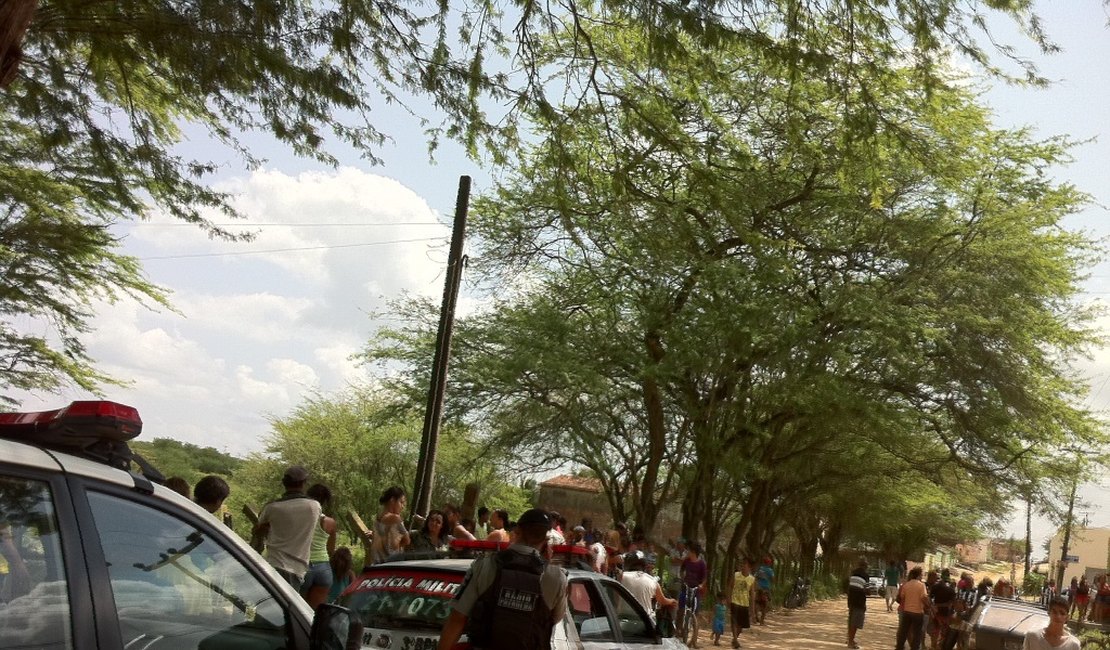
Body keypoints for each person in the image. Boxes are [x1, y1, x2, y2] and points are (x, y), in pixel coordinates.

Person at [436, 509, 567, 650]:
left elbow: (457, 618)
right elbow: (555, 619)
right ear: (546, 539)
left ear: (517, 530)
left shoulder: (484, 564)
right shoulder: (556, 577)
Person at [254, 465, 322, 591]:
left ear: (284, 483)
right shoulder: (314, 506)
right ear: (304, 483)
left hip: (273, 563)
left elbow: (258, 529)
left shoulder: (272, 507)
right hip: (296, 568)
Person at [302, 483, 338, 609]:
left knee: (299, 609)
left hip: (303, 565)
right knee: (315, 613)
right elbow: (331, 550)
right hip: (323, 567)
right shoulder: (330, 522)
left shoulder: (303, 518)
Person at [621, 550, 676, 623]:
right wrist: (672, 601)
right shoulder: (653, 581)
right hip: (645, 624)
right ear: (644, 565)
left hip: (622, 622)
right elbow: (662, 601)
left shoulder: (621, 577)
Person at [370, 486, 410, 564]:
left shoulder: (378, 517)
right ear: (392, 500)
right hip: (391, 564)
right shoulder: (395, 518)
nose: (402, 506)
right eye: (401, 502)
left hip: (376, 564)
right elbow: (407, 540)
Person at [679, 541, 708, 648]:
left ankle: (694, 640)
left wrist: (701, 585)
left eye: (689, 551)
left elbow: (704, 578)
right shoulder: (686, 561)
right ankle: (679, 630)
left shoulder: (701, 564)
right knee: (681, 609)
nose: (688, 552)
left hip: (696, 590)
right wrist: (682, 578)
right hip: (685, 587)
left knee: (695, 613)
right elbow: (682, 570)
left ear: (694, 552)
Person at [896, 566, 931, 650]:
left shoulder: (906, 585)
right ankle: (914, 648)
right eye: (921, 575)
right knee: (917, 633)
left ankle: (899, 647)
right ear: (918, 575)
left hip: (907, 611)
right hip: (918, 612)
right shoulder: (921, 585)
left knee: (903, 631)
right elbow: (923, 598)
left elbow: (901, 597)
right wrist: (928, 606)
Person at [728, 558, 756, 649]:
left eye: (745, 564)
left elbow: (752, 594)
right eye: (743, 564)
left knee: (740, 626)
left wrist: (752, 610)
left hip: (744, 603)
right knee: (734, 621)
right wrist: (728, 598)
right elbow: (730, 586)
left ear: (750, 567)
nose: (743, 566)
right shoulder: (736, 575)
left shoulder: (751, 579)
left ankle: (734, 638)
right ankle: (735, 641)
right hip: (735, 601)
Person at [929, 569, 956, 650]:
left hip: (936, 612)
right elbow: (952, 603)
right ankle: (939, 646)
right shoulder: (951, 587)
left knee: (935, 630)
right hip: (946, 613)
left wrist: (933, 606)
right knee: (944, 632)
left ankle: (933, 646)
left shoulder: (935, 586)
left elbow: (929, 598)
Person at [847, 558, 869, 649]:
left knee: (851, 619)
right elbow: (867, 590)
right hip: (859, 601)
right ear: (865, 566)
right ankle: (851, 641)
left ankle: (849, 639)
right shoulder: (865, 575)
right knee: (855, 623)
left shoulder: (853, 573)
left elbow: (847, 585)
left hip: (851, 600)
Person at [754, 555, 774, 625]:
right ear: (769, 563)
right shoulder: (770, 570)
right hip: (766, 588)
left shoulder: (760, 569)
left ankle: (756, 615)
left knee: (756, 602)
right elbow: (772, 579)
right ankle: (762, 621)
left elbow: (755, 577)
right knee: (765, 604)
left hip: (759, 588)